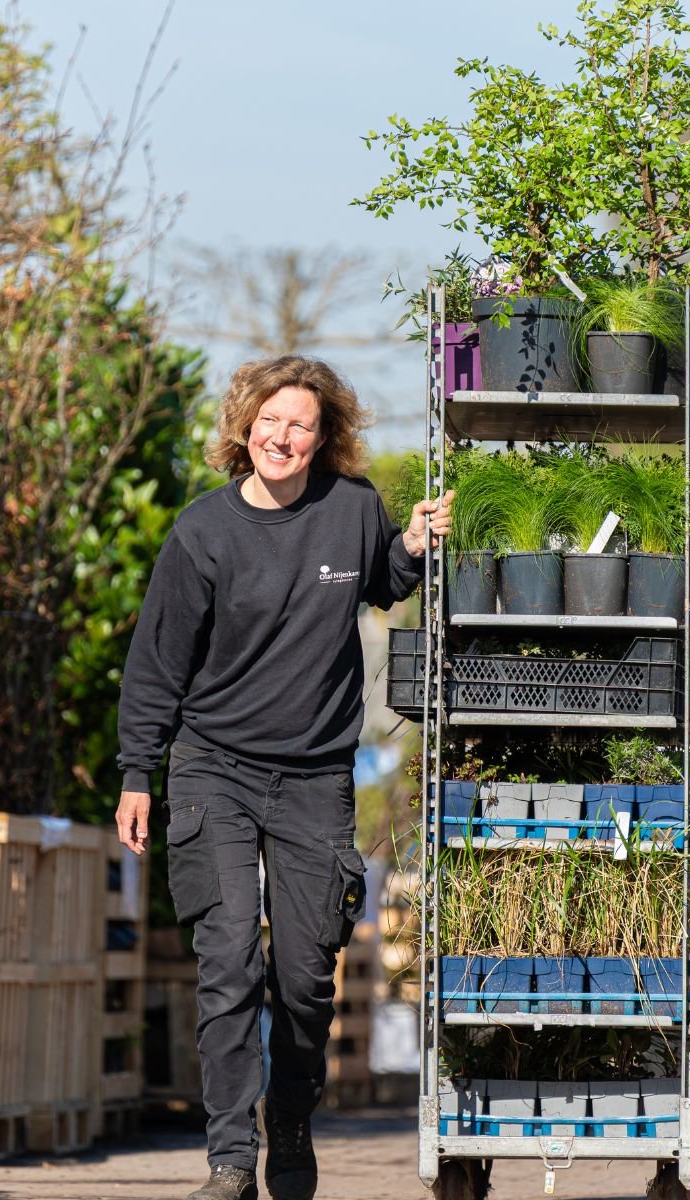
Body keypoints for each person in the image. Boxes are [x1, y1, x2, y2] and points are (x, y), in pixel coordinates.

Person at [114, 356, 453, 1200]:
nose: (283, 436)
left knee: (304, 981)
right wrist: (136, 774)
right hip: (213, 770)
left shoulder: (353, 511)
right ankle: (231, 1157)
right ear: (245, 427)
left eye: (301, 424)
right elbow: (156, 666)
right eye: (270, 420)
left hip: (312, 776)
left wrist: (410, 542)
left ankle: (291, 1122)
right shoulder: (202, 534)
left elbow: (385, 580)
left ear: (323, 436)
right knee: (227, 962)